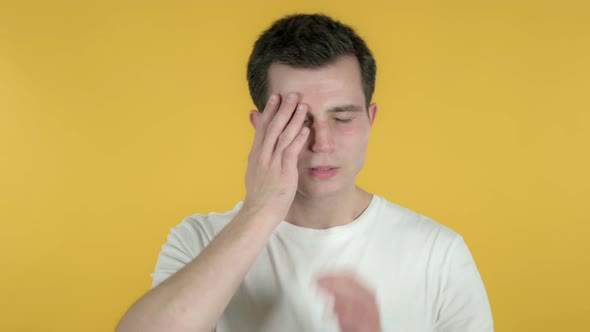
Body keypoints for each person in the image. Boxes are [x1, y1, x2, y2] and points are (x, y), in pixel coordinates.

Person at [116, 13, 494, 332]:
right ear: (262, 126)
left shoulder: (438, 254)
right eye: (298, 121)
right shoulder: (200, 239)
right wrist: (262, 211)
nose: (323, 143)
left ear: (370, 119)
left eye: (342, 117)